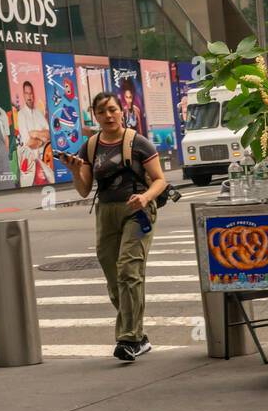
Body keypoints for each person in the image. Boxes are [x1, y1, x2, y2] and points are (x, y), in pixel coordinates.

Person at [58, 92, 167, 362]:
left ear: (122, 111)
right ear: (94, 116)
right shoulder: (91, 147)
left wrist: (145, 197)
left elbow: (160, 180)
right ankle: (138, 336)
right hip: (106, 213)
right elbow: (84, 190)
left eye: (112, 110)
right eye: (101, 112)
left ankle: (129, 338)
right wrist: (74, 169)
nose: (108, 116)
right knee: (113, 276)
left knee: (129, 270)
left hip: (137, 211)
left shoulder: (138, 142)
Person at [15, 80, 53, 184]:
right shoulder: (21, 114)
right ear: (23, 95)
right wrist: (42, 140)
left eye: (31, 93)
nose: (29, 96)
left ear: (33, 94)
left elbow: (50, 134)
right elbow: (29, 142)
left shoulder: (39, 113)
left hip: (43, 163)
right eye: (26, 93)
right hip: (29, 165)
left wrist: (36, 134)